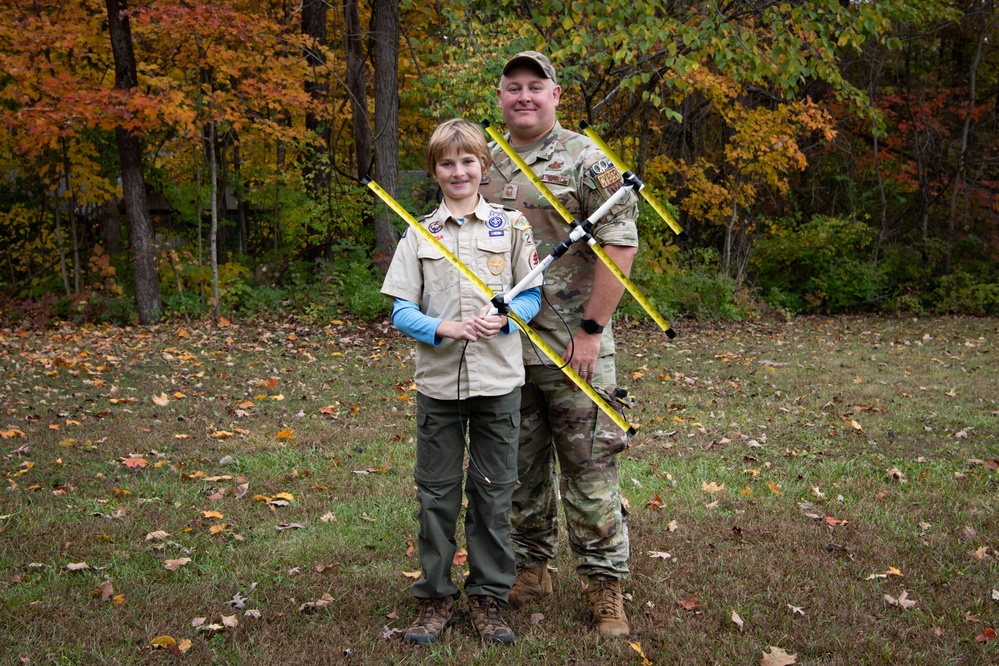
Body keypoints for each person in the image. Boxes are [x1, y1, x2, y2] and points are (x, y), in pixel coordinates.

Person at [477, 51, 639, 638]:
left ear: (555, 94)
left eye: (534, 87)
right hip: (506, 346)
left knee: (589, 466)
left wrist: (593, 332)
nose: (523, 96)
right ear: (500, 97)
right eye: (512, 87)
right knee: (518, 467)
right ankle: (531, 567)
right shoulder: (485, 163)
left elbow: (620, 247)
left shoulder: (586, 160)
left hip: (575, 344)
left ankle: (604, 586)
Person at [381, 118, 543, 646]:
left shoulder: (512, 226)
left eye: (468, 161)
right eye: (447, 163)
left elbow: (531, 295)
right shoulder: (418, 232)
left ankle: (489, 598)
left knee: (494, 494)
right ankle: (434, 597)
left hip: (498, 381)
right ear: (435, 170)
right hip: (438, 386)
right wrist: (443, 327)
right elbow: (401, 310)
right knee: (437, 495)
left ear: (483, 166)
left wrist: (507, 317)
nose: (459, 171)